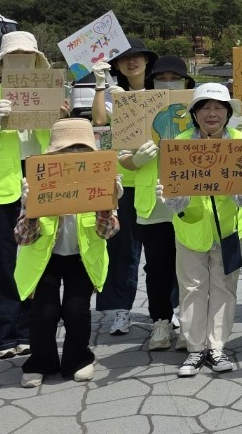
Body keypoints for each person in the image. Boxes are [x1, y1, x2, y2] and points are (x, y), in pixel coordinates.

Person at [155, 84, 242, 377]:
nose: (212, 113)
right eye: (205, 107)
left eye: (219, 108)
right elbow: (171, 193)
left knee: (224, 288)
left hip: (229, 231)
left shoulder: (239, 141)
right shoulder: (179, 144)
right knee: (192, 290)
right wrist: (171, 197)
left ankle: (217, 347)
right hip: (191, 229)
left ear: (227, 113)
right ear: (195, 113)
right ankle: (195, 350)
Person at [13, 118, 121, 387]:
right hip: (44, 260)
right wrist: (31, 206)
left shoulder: (100, 181)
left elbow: (108, 233)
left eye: (80, 150)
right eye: (66, 150)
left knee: (77, 309)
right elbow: (21, 237)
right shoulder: (39, 180)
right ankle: (41, 361)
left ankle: (79, 358)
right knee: (45, 312)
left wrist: (107, 204)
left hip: (82, 258)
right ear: (54, 155)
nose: (73, 157)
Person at [0, 30, 57, 360]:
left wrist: (59, 114)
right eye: (13, 59)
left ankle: (28, 331)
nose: (19, 65)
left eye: (27, 59)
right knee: (2, 261)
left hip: (39, 182)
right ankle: (2, 336)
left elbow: (57, 141)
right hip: (0, 190)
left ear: (36, 64)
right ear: (3, 64)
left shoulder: (48, 95)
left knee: (37, 258)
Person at [111, 55, 194, 352]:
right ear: (152, 81)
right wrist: (136, 159)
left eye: (175, 78)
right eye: (162, 78)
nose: (168, 82)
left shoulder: (198, 106)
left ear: (186, 83)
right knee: (157, 266)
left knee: (190, 265)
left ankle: (189, 322)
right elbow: (121, 156)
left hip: (189, 199)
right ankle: (160, 321)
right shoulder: (135, 106)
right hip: (152, 203)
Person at [90, 38, 158, 336]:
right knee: (122, 251)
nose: (132, 62)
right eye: (124, 58)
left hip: (156, 181)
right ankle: (121, 311)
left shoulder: (161, 94)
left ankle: (169, 310)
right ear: (116, 65)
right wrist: (100, 85)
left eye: (137, 57)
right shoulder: (112, 94)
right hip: (123, 183)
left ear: (146, 61)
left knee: (163, 251)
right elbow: (98, 122)